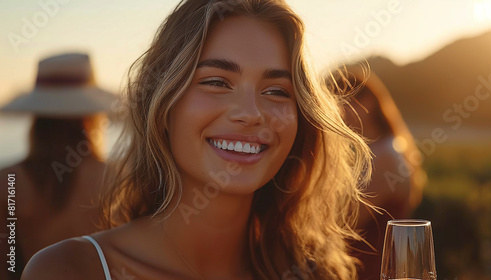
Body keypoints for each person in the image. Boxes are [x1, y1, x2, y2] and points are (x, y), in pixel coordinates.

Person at [21, 1, 372, 279]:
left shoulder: (315, 273)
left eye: (277, 90)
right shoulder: (70, 271)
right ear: (161, 107)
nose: (251, 113)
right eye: (216, 82)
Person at [0, 53, 116, 280]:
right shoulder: (115, 178)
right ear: (91, 116)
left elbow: (7, 265)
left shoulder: (8, 181)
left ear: (38, 117)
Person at [334, 64, 425, 280]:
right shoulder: (385, 149)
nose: (337, 112)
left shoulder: (385, 158)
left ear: (368, 103)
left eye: (343, 102)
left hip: (372, 270)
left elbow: (342, 222)